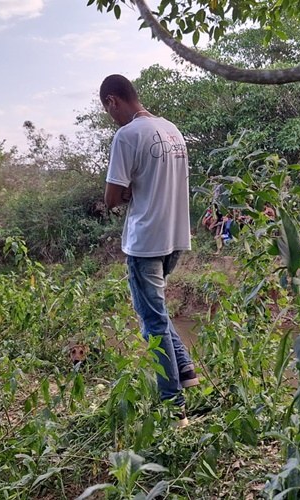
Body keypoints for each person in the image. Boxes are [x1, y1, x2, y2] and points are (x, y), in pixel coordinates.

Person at [100, 74, 197, 427]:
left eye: (108, 110)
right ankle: (185, 369)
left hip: (145, 241)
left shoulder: (127, 135)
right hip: (175, 237)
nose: (112, 117)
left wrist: (124, 193)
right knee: (155, 311)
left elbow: (112, 198)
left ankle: (173, 406)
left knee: (152, 321)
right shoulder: (172, 130)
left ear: (112, 101)